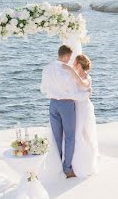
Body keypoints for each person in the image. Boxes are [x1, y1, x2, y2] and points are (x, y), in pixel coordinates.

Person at [40, 44, 90, 178]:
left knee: (56, 136)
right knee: (69, 137)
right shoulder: (67, 70)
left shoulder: (46, 69)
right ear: (66, 56)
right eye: (69, 58)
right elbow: (73, 93)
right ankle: (67, 169)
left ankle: (57, 166)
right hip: (66, 105)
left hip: (52, 104)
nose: (69, 61)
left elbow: (43, 90)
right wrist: (86, 94)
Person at [61, 54, 99, 177]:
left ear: (78, 64)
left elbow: (82, 83)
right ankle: (76, 163)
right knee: (76, 134)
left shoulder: (87, 78)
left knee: (85, 134)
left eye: (74, 62)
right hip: (75, 108)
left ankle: (87, 163)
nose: (73, 64)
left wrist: (70, 71)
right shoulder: (74, 77)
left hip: (84, 109)